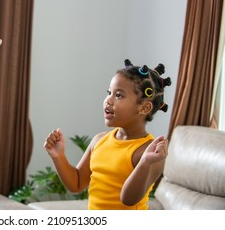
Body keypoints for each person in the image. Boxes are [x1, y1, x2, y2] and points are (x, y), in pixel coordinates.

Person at [44, 59, 171, 210]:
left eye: (118, 95)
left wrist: (145, 162)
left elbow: (128, 199)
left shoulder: (150, 153)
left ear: (144, 108)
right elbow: (76, 183)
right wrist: (59, 157)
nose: (108, 100)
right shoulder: (99, 140)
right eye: (109, 92)